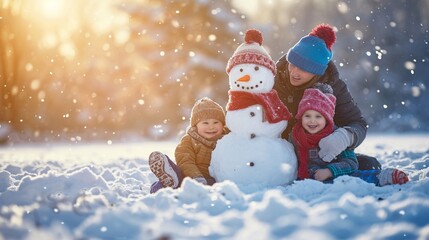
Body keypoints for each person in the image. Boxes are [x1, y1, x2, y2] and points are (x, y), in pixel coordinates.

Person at [273, 23, 381, 170]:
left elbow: (358, 123)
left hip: (317, 153)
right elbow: (241, 106)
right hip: (276, 150)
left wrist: (344, 137)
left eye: (303, 69)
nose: (294, 72)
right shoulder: (271, 78)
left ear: (317, 72)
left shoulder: (334, 87)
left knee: (370, 165)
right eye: (292, 64)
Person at [290, 84, 408, 186]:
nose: (312, 121)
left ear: (327, 119)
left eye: (318, 116)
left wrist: (329, 171)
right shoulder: (296, 135)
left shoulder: (336, 137)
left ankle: (384, 177)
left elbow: (351, 163)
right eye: (307, 116)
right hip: (307, 179)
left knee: (352, 178)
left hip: (335, 175)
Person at [148, 97, 226, 193]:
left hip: (213, 179)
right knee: (174, 179)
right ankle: (170, 176)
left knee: (216, 185)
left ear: (223, 125)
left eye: (216, 122)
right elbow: (185, 161)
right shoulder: (189, 140)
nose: (211, 127)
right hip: (188, 177)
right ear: (195, 125)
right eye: (205, 123)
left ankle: (172, 185)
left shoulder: (227, 139)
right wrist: (196, 178)